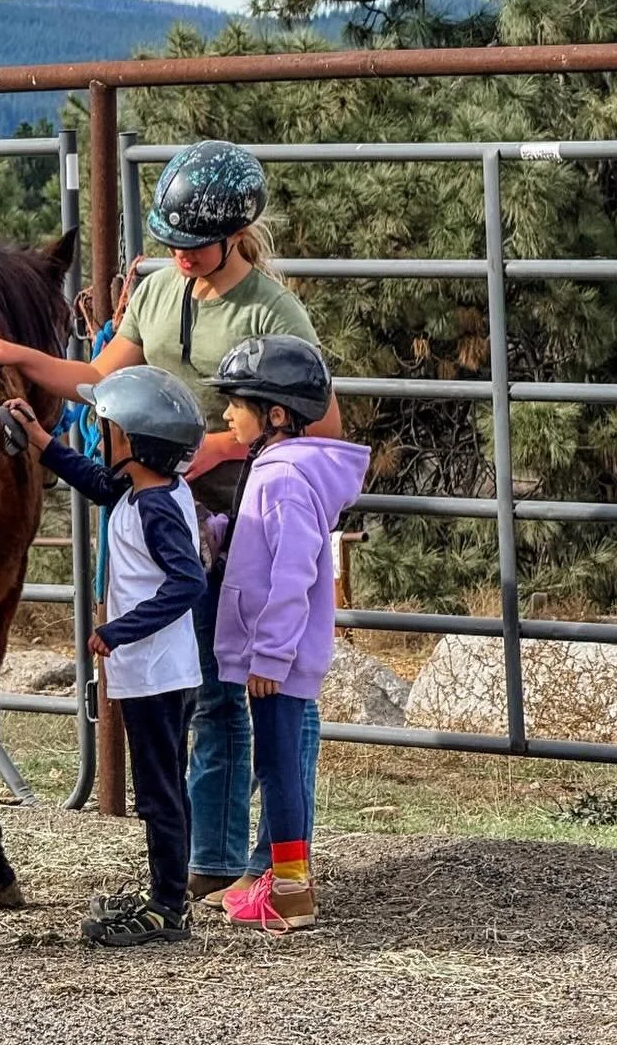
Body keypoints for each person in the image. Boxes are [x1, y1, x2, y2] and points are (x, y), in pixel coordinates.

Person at [0, 138, 341, 902]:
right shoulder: (162, 291)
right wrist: (15, 354)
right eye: (172, 243)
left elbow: (319, 424)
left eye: (195, 247)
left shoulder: (272, 310)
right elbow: (102, 380)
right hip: (174, 510)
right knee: (205, 685)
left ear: (234, 236)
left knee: (256, 685)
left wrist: (220, 446)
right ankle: (216, 855)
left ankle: (273, 858)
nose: (181, 256)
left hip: (248, 514)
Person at [3, 368, 207, 947]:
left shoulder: (154, 508)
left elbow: (187, 583)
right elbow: (95, 480)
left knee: (160, 791)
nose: (100, 433)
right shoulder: (148, 490)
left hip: (154, 673)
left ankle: (168, 909)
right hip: (154, 672)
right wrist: (44, 442)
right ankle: (168, 893)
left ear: (138, 444)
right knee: (164, 785)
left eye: (108, 427)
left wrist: (119, 630)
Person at [203, 334, 369, 931]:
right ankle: (285, 883)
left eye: (236, 404)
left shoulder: (283, 479)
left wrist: (269, 657)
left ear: (274, 414)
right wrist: (223, 533)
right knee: (275, 767)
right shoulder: (273, 471)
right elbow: (267, 548)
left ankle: (293, 894)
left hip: (277, 659)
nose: (226, 415)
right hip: (273, 655)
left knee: (277, 769)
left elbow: (295, 572)